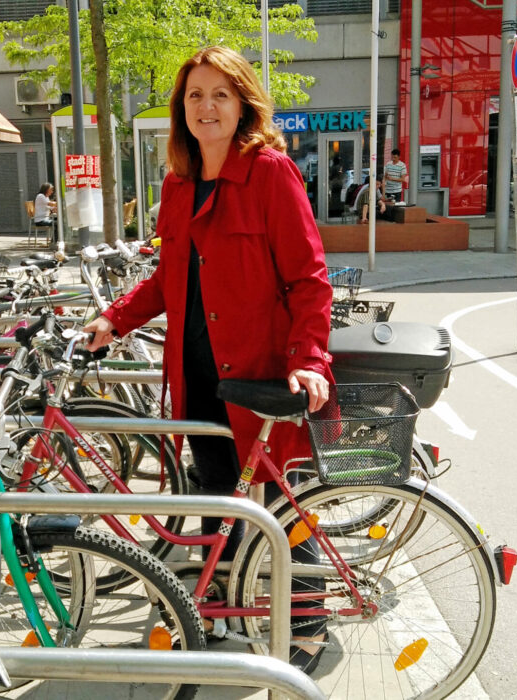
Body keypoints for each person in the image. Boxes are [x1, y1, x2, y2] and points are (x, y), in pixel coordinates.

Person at [82, 45, 333, 673]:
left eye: (220, 93)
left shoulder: (271, 173)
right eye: (195, 95)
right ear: (181, 109)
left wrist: (309, 360)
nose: (207, 106)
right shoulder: (178, 183)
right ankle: (222, 607)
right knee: (217, 494)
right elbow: (169, 279)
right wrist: (114, 319)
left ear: (243, 103)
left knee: (279, 504)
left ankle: (307, 622)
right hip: (196, 372)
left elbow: (309, 279)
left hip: (259, 374)